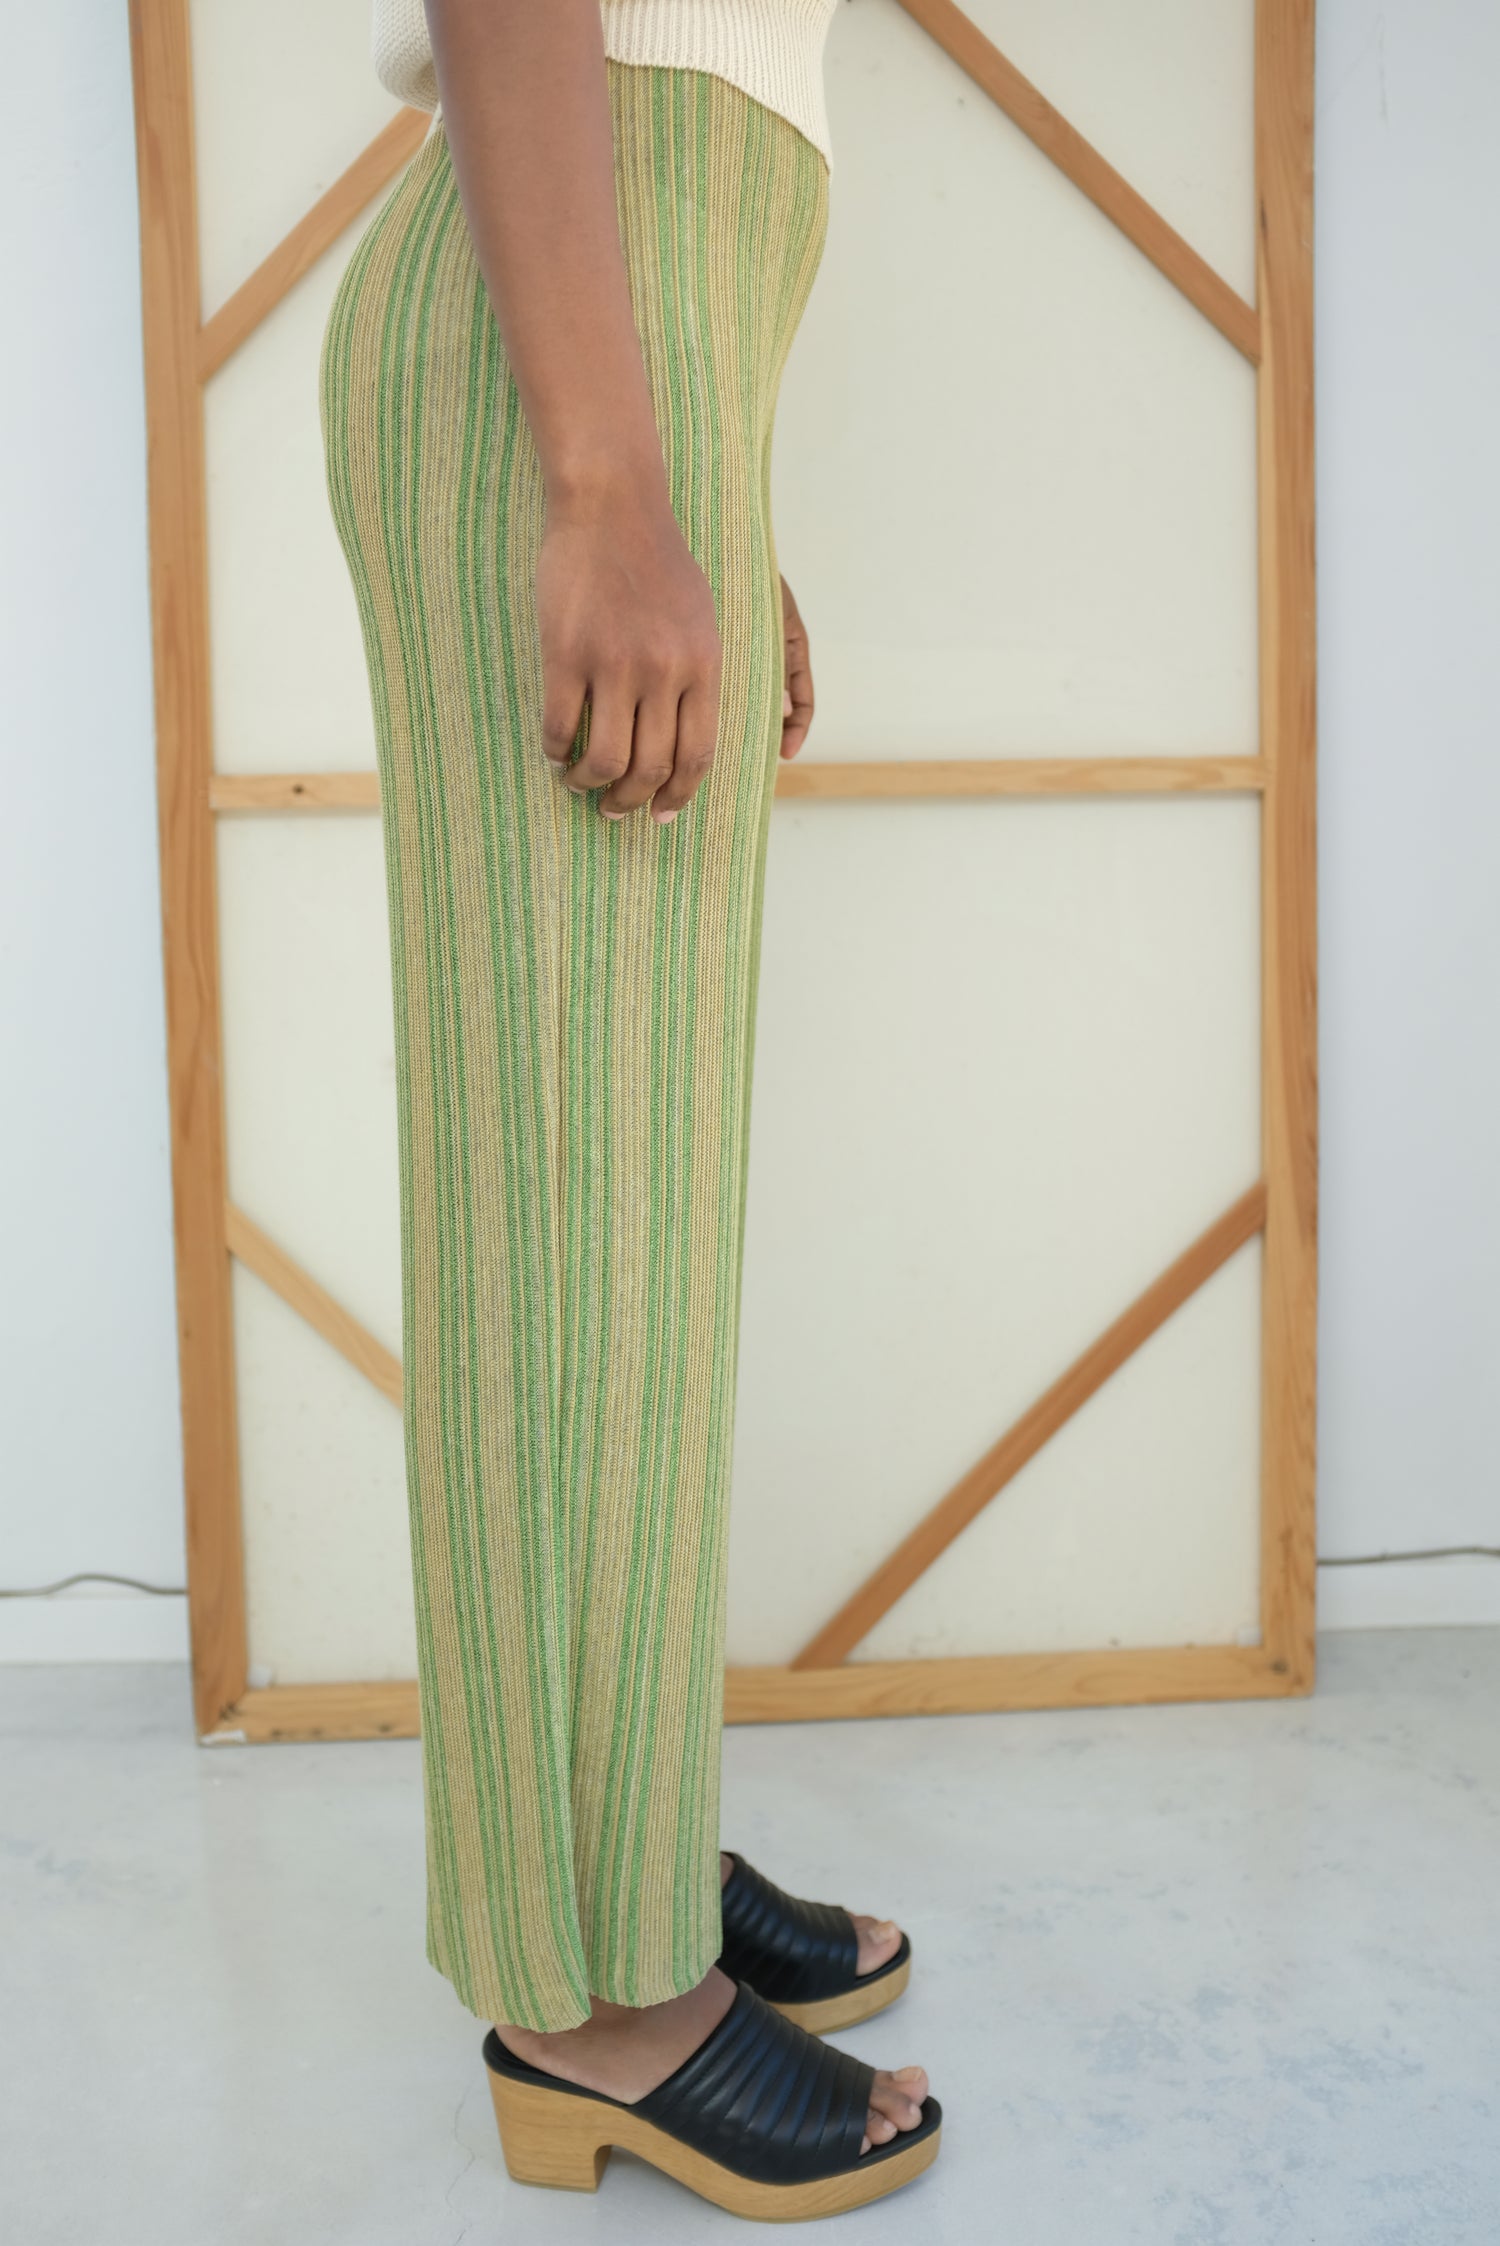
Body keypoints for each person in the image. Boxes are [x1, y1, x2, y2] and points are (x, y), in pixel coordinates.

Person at [319, 0, 942, 2217]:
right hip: (549, 379)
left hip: (623, 370)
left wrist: (694, 493)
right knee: (556, 1202)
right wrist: (602, 480)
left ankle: (626, 1856)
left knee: (638, 1203)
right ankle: (581, 2001)